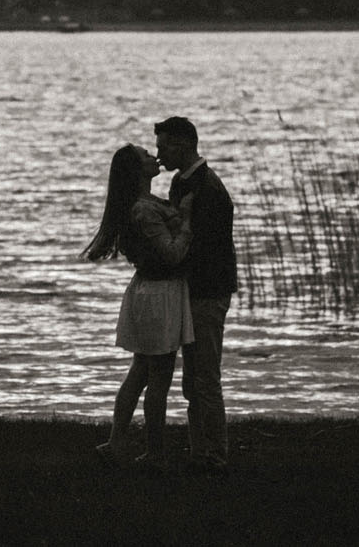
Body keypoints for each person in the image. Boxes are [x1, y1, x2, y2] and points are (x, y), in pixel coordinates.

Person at [81, 143, 193, 469]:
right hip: (159, 295)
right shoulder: (142, 209)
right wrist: (187, 221)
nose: (154, 157)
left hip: (149, 291)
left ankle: (118, 442)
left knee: (141, 371)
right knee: (158, 376)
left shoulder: (142, 205)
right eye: (146, 156)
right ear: (137, 170)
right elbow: (171, 253)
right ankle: (153, 452)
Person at [155, 115, 236, 475]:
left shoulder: (205, 187)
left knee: (205, 376)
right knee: (194, 378)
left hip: (207, 291)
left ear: (182, 145)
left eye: (164, 146)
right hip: (194, 290)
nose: (159, 154)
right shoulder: (183, 182)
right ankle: (199, 450)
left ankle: (214, 454)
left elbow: (202, 245)